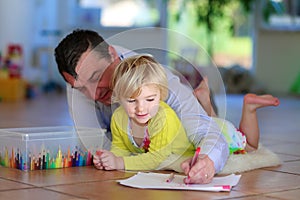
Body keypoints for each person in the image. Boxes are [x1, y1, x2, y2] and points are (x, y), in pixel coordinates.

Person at [54, 29, 229, 184]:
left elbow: (208, 132)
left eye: (96, 77)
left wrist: (208, 161)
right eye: (81, 89)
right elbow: (94, 145)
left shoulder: (153, 78)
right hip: (136, 136)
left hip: (187, 118)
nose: (93, 95)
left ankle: (205, 101)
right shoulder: (78, 80)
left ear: (112, 54)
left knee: (218, 125)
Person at [93, 55, 195, 172]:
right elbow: (120, 147)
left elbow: (157, 159)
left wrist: (119, 163)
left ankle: (205, 103)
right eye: (131, 101)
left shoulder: (164, 117)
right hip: (157, 168)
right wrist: (109, 159)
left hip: (182, 161)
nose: (141, 108)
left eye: (150, 99)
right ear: (118, 97)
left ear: (160, 95)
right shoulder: (118, 117)